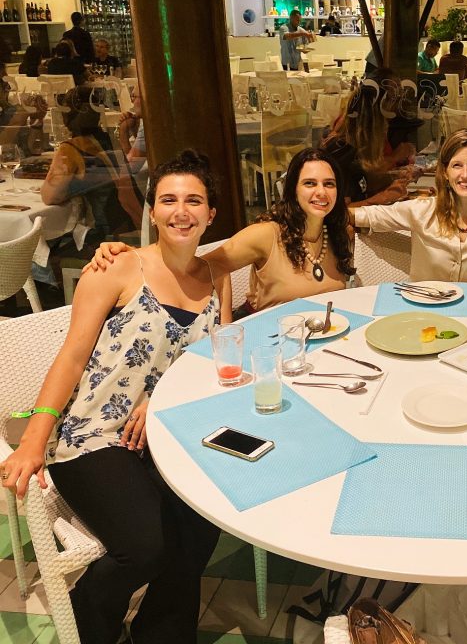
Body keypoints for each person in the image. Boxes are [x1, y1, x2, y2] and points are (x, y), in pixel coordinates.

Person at [1, 150, 230, 644]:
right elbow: (72, 355)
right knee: (144, 546)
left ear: (212, 213)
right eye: (168, 199)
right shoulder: (119, 267)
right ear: (152, 212)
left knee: (201, 525)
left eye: (194, 200)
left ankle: (161, 634)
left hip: (166, 433)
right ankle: (90, 615)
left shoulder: (217, 277)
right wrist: (34, 439)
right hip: (92, 433)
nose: (181, 210)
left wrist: (166, 401)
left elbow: (216, 360)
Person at [91, 148, 355, 317]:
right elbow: (202, 267)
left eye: (329, 184)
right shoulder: (267, 235)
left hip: (324, 338)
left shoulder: (339, 234)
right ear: (293, 190)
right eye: (309, 183)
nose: (321, 192)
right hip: (269, 341)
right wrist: (136, 257)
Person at [351, 128, 467, 285]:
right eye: (457, 165)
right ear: (445, 172)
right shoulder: (421, 210)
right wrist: (326, 219)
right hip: (428, 314)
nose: (465, 175)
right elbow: (362, 215)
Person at [42, 86, 143, 244]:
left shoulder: (72, 148)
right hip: (132, 224)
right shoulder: (108, 140)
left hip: (106, 237)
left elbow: (49, 197)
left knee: (42, 247)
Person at [321, 77, 416, 206]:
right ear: (373, 121)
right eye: (385, 120)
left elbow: (363, 182)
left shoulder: (356, 147)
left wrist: (394, 178)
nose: (386, 127)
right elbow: (340, 211)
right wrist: (383, 198)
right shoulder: (341, 152)